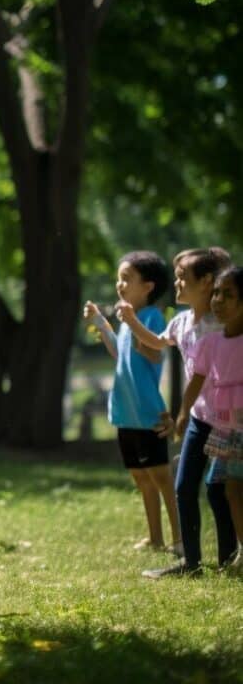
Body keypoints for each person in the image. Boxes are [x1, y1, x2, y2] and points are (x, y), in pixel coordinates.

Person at [118, 248, 234, 578]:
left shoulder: (221, 326)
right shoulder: (182, 322)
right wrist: (130, 320)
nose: (177, 282)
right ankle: (191, 562)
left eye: (183, 276)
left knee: (219, 489)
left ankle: (228, 558)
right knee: (184, 486)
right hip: (198, 417)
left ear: (207, 282)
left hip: (226, 420)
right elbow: (155, 342)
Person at [84, 250, 181, 554]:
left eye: (127, 278)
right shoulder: (129, 318)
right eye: (119, 278)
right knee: (141, 477)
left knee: (162, 477)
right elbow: (121, 353)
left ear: (148, 286)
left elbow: (153, 352)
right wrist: (103, 324)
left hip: (148, 412)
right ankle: (155, 537)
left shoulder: (150, 317)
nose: (120, 284)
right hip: (125, 413)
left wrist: (132, 321)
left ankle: (179, 539)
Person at [176, 265, 243, 573]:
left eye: (227, 294)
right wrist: (181, 414)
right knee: (225, 489)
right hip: (225, 428)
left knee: (228, 489)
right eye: (216, 292)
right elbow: (196, 380)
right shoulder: (211, 343)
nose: (217, 300)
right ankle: (238, 556)